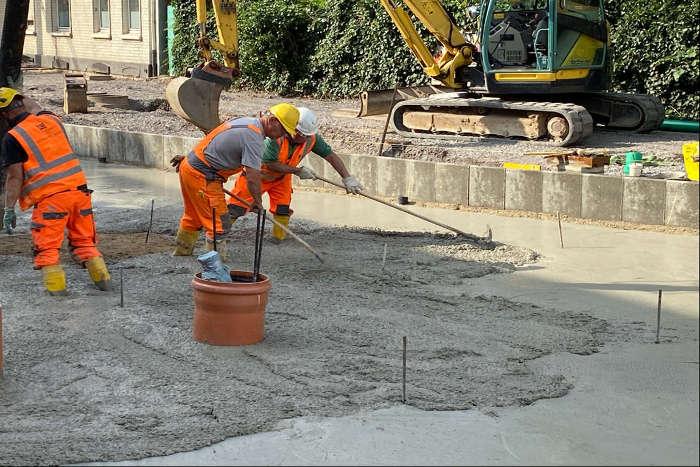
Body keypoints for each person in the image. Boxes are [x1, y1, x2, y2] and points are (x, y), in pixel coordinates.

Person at [0, 87, 111, 295]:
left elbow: (15, 177)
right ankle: (104, 282)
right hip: (80, 193)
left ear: (4, 115)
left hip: (52, 200)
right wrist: (15, 94)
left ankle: (57, 294)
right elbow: (35, 106)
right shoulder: (51, 120)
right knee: (84, 242)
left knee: (47, 248)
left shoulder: (13, 138)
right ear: (21, 103)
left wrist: (8, 209)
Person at [172, 103, 300, 259]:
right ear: (273, 120)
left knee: (193, 217)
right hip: (203, 175)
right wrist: (258, 202)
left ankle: (182, 253)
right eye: (283, 130)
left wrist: (190, 158)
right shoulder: (254, 138)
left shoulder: (246, 122)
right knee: (219, 223)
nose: (282, 136)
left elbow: (213, 139)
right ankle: (216, 266)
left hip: (191, 167)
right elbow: (253, 177)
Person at [227, 107, 364, 241]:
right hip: (256, 176)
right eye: (300, 134)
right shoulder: (275, 138)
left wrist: (347, 177)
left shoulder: (311, 138)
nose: (303, 138)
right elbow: (270, 163)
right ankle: (216, 237)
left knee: (283, 209)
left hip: (281, 179)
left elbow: (331, 156)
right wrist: (298, 171)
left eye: (306, 135)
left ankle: (278, 239)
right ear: (293, 128)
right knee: (236, 207)